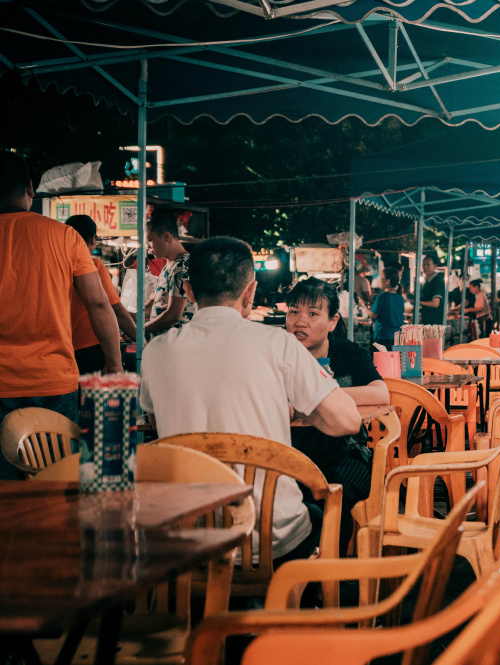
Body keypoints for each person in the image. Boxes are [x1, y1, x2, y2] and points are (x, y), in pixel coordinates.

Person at [139, 237, 361, 564]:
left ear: (187, 289)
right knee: (315, 513)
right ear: (250, 291)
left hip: (189, 536)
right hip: (273, 538)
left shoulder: (156, 354)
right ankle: (293, 603)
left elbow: (157, 426)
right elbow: (348, 421)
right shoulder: (277, 344)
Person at [0, 153, 123, 479]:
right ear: (29, 187)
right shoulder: (65, 236)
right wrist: (114, 362)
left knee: (6, 493)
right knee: (59, 483)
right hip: (53, 381)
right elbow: (99, 304)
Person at [285, 277, 387, 555]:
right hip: (291, 457)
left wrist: (321, 396)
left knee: (334, 501)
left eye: (313, 313)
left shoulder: (348, 353)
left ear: (332, 321)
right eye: (294, 311)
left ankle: (325, 579)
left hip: (346, 455)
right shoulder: (278, 354)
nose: (300, 322)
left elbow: (380, 394)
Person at [64, 215, 137, 373]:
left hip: (64, 348)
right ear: (93, 239)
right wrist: (140, 339)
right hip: (94, 348)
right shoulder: (93, 266)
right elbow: (115, 310)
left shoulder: (57, 268)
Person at [144, 209, 196, 338]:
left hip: (176, 343)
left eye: (150, 241)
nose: (149, 249)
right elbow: (153, 304)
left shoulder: (182, 266)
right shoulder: (170, 265)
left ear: (166, 237)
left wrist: (139, 331)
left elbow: (173, 315)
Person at [366, 267, 406, 346]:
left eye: (381, 277)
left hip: (383, 336)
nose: (379, 280)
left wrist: (363, 305)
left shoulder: (382, 297)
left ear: (387, 281)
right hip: (397, 337)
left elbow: (372, 315)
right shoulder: (400, 297)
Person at [418, 255, 445, 324]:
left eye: (428, 264)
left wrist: (418, 302)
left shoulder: (437, 281)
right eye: (423, 264)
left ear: (435, 266)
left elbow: (435, 303)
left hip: (434, 323)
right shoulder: (427, 281)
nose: (425, 267)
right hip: (427, 321)